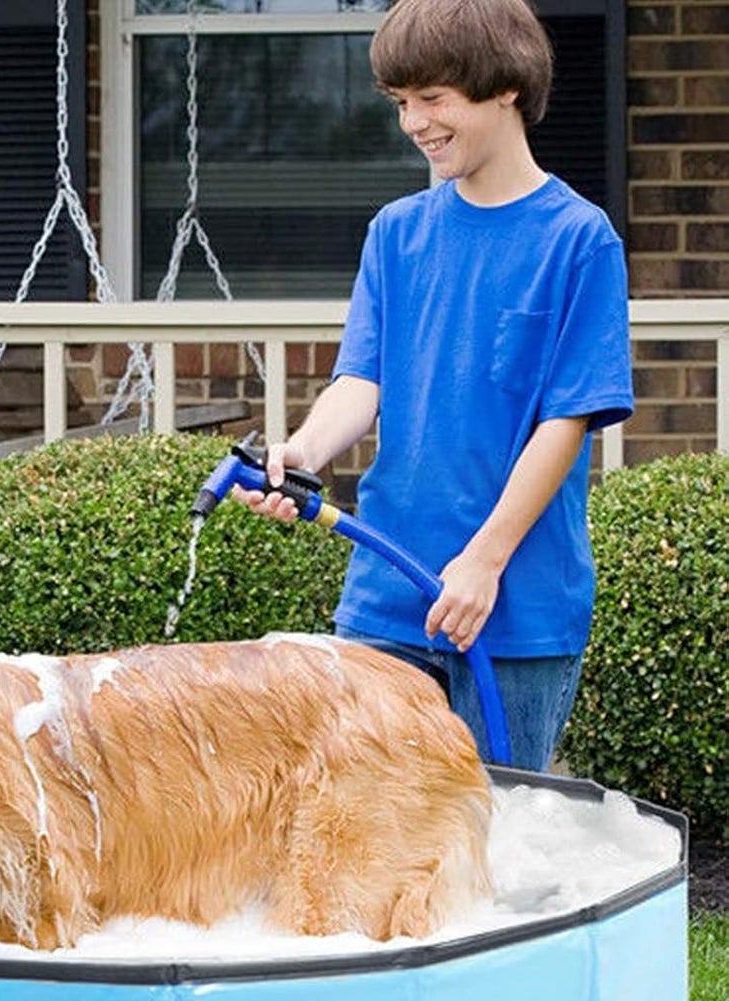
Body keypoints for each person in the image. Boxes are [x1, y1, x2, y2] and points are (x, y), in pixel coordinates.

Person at [244, 0, 633, 771]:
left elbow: (565, 423)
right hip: (389, 588)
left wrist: (484, 561)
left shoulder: (578, 240)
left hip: (516, 602)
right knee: (366, 826)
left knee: (498, 835)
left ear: (505, 89)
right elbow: (361, 379)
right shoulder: (396, 233)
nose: (413, 122)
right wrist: (300, 451)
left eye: (433, 99)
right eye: (399, 103)